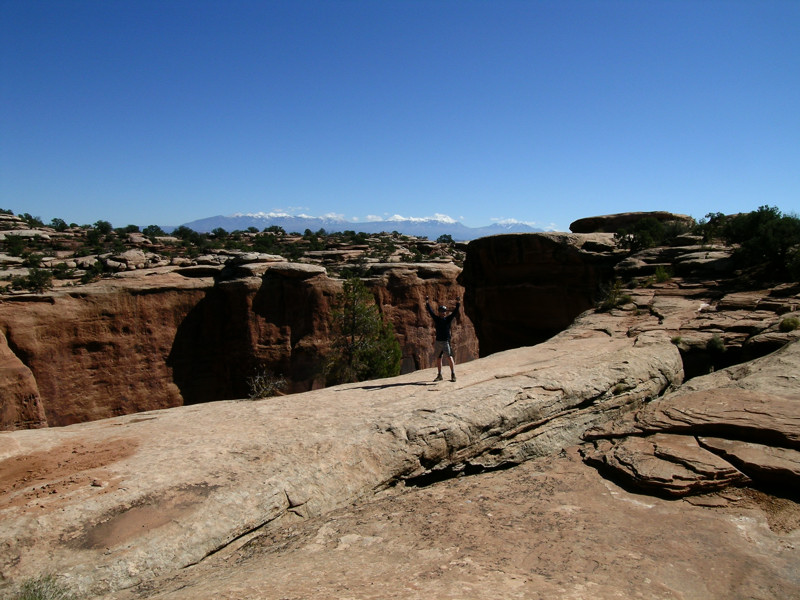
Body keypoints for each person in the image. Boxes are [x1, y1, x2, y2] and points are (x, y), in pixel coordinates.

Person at [425, 295, 461, 382]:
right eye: (441, 311)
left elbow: (455, 312)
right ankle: (439, 375)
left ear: (445, 312)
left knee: (449, 357)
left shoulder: (448, 319)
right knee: (438, 358)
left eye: (444, 311)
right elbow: (430, 312)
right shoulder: (437, 319)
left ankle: (453, 374)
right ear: (439, 312)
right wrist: (427, 303)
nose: (443, 312)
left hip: (446, 341)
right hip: (438, 341)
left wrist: (458, 303)